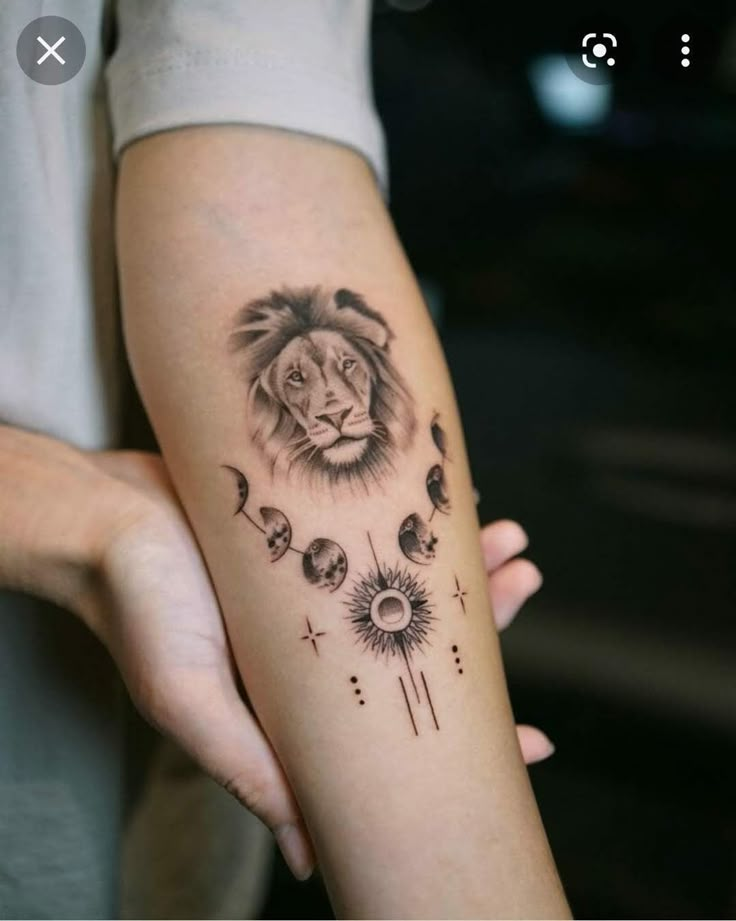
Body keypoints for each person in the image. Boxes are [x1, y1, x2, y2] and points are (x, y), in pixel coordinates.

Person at [0, 2, 568, 917]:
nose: (337, 403)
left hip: (188, 682)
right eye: (308, 387)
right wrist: (71, 516)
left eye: (346, 376)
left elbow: (264, 182)